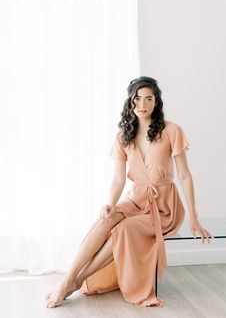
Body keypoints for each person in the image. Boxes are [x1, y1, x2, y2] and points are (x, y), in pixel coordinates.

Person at [45, 76, 214, 308]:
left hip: (163, 207)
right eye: (137, 99)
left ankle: (77, 280)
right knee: (106, 220)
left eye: (148, 99)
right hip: (134, 199)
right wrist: (110, 203)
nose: (142, 104)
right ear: (130, 102)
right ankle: (67, 279)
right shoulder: (123, 136)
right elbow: (118, 178)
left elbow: (184, 175)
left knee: (122, 230)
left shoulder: (172, 131)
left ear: (157, 102)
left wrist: (194, 216)